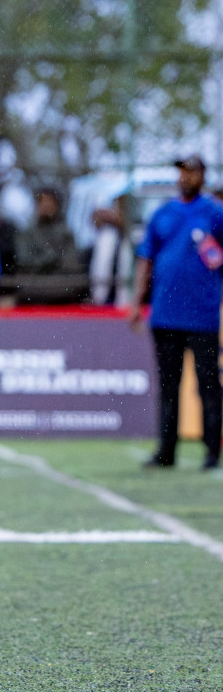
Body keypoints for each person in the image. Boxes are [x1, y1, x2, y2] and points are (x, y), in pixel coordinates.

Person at [129, 155, 223, 471]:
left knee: (207, 385)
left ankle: (212, 452)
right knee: (169, 386)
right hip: (166, 314)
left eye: (191, 171)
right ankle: (166, 451)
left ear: (202, 175)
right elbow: (146, 259)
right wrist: (136, 302)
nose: (185, 177)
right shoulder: (162, 214)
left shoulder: (214, 214)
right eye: (181, 171)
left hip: (203, 316)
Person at [18, 188, 84, 302]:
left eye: (50, 201)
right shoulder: (27, 233)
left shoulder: (66, 233)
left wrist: (44, 262)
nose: (46, 205)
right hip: (33, 287)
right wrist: (51, 258)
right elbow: (25, 261)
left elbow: (71, 264)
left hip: (62, 288)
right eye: (42, 201)